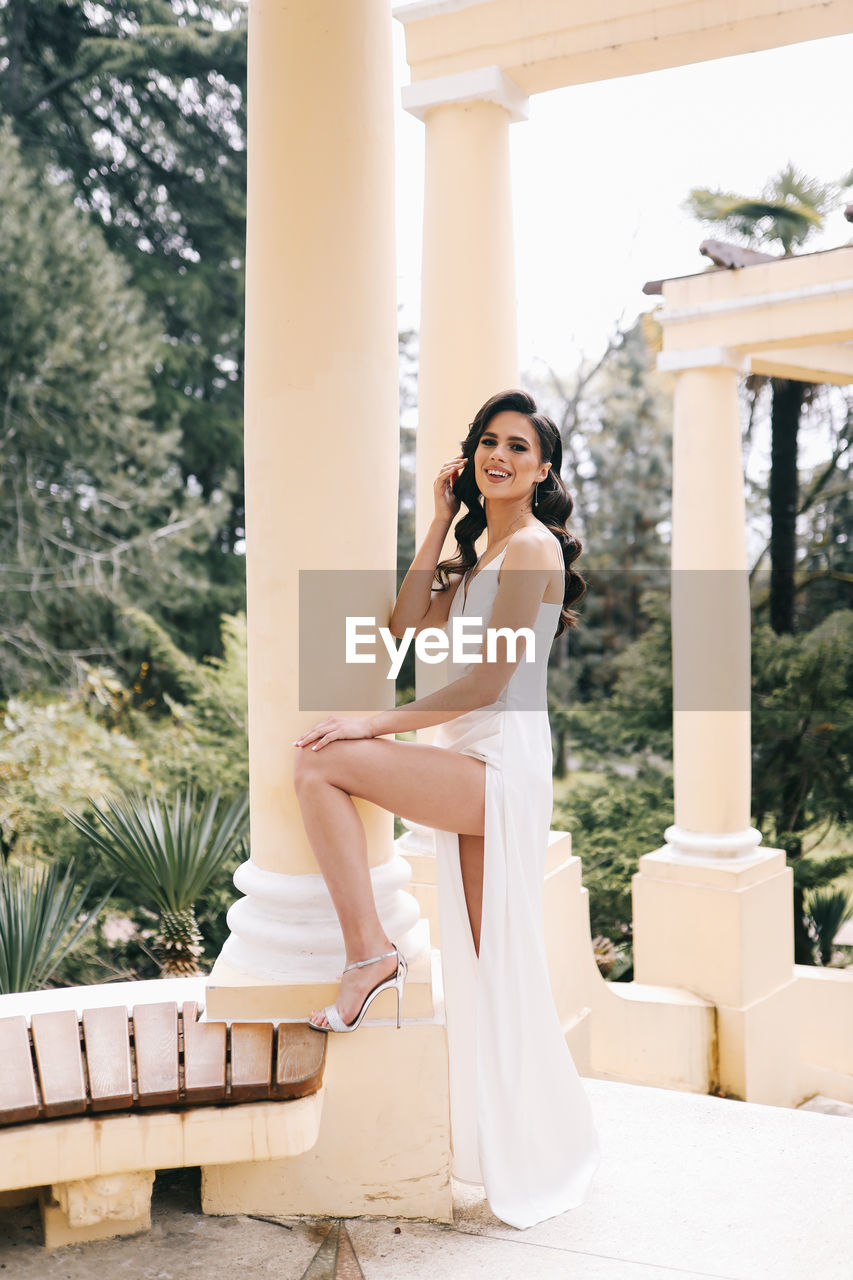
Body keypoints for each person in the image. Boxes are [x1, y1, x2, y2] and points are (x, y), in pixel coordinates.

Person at [292, 388, 601, 1229]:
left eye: (518, 449)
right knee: (486, 961)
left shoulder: (533, 550)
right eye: (488, 444)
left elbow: (487, 683)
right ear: (472, 460)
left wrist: (373, 721)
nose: (501, 456)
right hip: (466, 755)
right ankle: (529, 1146)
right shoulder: (483, 554)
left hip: (499, 760)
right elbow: (404, 624)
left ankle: (368, 956)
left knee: (323, 765)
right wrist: (438, 518)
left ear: (541, 473)